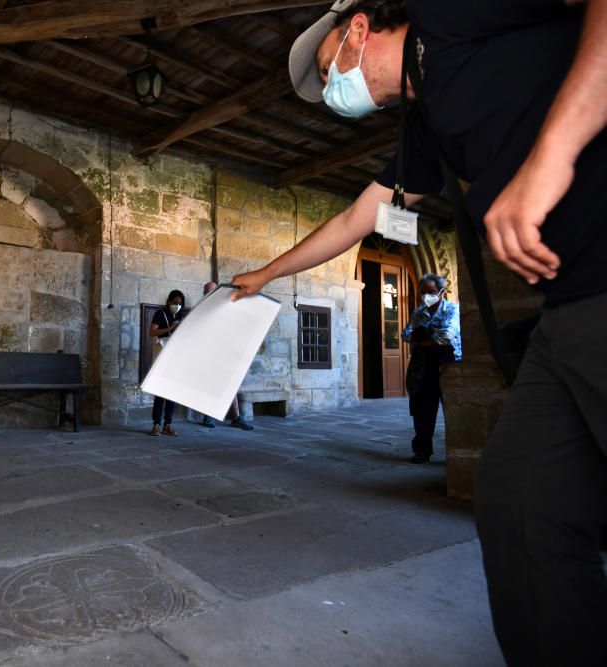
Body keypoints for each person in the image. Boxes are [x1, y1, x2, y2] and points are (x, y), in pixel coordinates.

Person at [229, 1, 607, 663]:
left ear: (357, 29)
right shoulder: (425, 123)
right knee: (517, 500)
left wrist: (552, 156)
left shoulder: (452, 14)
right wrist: (264, 274)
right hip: (568, 307)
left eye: (327, 71)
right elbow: (355, 220)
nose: (330, 93)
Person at [401, 273, 461, 464]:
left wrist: (423, 338)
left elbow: (447, 335)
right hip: (424, 366)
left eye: (432, 292)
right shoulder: (418, 312)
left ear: (442, 292)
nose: (427, 296)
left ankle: (457, 452)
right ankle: (422, 450)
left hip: (448, 364)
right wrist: (427, 337)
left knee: (453, 411)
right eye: (424, 292)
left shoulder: (452, 309)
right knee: (422, 410)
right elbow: (405, 334)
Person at [200, 281, 255, 430]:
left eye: (214, 290)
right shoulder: (201, 308)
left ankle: (236, 417)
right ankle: (209, 416)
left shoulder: (225, 306)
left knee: (231, 383)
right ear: (205, 293)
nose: (212, 293)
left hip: (226, 350)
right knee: (211, 384)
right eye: (209, 291)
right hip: (210, 352)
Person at [148, 290, 186, 436]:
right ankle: (156, 424)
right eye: (175, 302)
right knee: (159, 391)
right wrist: (171, 328)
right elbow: (151, 332)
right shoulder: (160, 314)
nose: (177, 305)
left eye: (180, 303)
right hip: (161, 356)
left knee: (171, 392)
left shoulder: (181, 316)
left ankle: (168, 424)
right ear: (169, 301)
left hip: (175, 356)